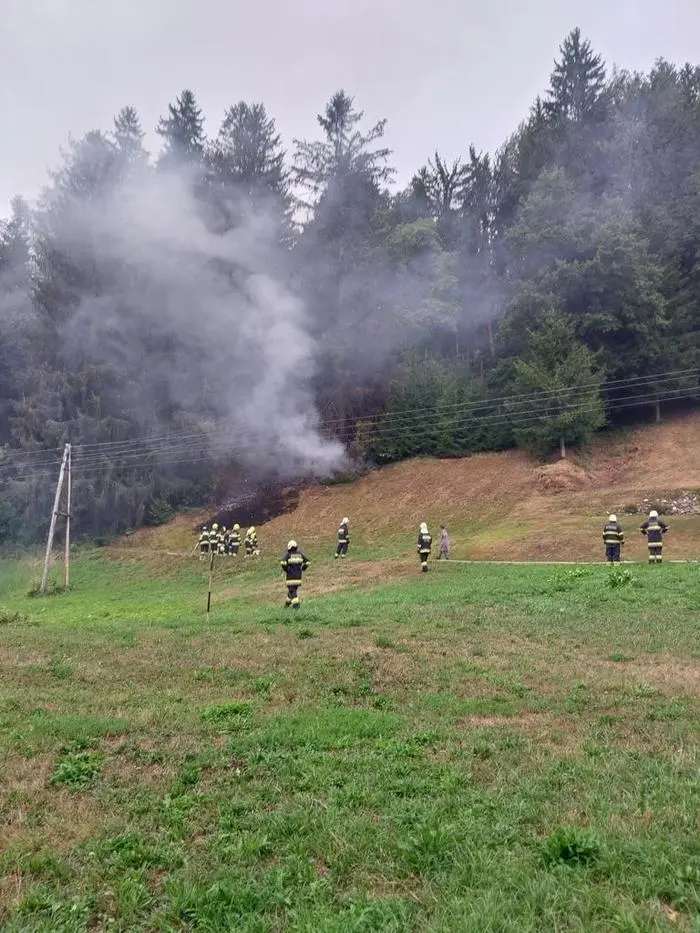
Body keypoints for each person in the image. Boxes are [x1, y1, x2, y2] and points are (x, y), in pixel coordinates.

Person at [280, 540, 309, 608]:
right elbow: (307, 562)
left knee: (292, 591)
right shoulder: (300, 554)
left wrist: (287, 569)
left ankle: (297, 606)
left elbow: (282, 562)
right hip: (298, 577)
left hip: (290, 578)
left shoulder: (288, 555)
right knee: (291, 591)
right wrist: (302, 568)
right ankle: (286, 606)